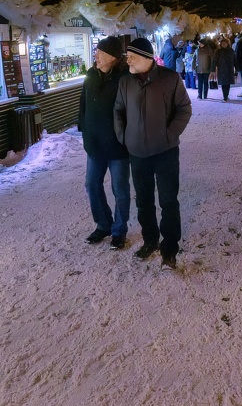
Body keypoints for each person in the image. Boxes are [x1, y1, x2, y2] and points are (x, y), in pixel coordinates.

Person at [114, 38, 192, 268]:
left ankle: (170, 246)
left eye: (132, 56)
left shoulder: (170, 79)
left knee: (168, 200)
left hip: (165, 151)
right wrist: (123, 136)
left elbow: (184, 109)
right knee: (144, 201)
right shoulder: (125, 82)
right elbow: (118, 110)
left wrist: (170, 134)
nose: (127, 59)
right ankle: (150, 240)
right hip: (137, 152)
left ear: (146, 58)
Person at [77, 36, 130, 249]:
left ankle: (119, 230)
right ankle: (103, 224)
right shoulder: (90, 76)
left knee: (120, 190)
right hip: (95, 144)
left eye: (100, 52)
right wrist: (84, 130)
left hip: (118, 146)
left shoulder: (125, 79)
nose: (96, 55)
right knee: (92, 185)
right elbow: (83, 106)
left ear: (113, 57)